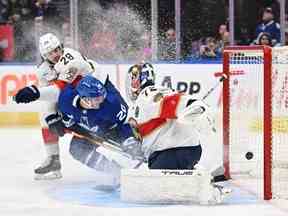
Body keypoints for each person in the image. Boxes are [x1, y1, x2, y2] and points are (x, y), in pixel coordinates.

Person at [125, 62, 231, 203]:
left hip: (171, 153)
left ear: (137, 81)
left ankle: (205, 189)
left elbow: (171, 102)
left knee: (157, 190)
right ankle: (198, 173)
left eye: (132, 79)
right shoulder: (153, 93)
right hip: (190, 150)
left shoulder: (147, 95)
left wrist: (192, 104)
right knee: (156, 173)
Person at [14, 33, 101, 180]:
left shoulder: (69, 56)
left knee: (60, 112)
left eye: (57, 49)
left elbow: (61, 87)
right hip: (74, 98)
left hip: (93, 95)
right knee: (45, 115)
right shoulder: (43, 70)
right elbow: (50, 97)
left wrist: (35, 93)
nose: (56, 54)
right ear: (44, 55)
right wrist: (51, 116)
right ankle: (53, 158)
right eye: (50, 52)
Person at [55, 75, 142, 184]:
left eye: (102, 96)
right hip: (88, 131)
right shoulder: (66, 99)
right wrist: (59, 121)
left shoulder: (112, 104)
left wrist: (129, 139)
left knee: (133, 148)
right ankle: (114, 171)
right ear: (85, 99)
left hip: (111, 129)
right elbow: (62, 114)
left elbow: (126, 122)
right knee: (77, 150)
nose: (101, 100)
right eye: (97, 98)